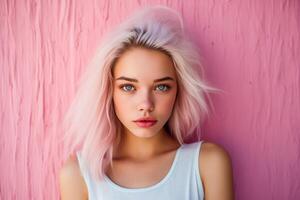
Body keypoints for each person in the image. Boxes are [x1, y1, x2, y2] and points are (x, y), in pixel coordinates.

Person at [59, 5, 234, 200]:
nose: (146, 105)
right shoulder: (79, 174)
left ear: (178, 91)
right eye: (128, 87)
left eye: (161, 87)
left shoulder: (208, 164)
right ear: (109, 91)